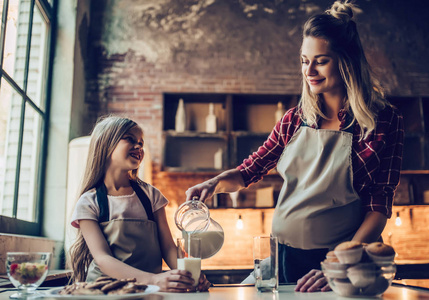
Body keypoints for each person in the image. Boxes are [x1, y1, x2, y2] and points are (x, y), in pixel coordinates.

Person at [185, 0, 404, 293]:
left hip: (332, 262)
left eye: (321, 60)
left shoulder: (384, 121)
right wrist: (214, 184)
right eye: (304, 60)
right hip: (281, 256)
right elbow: (250, 170)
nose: (309, 70)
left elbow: (379, 204)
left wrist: (337, 264)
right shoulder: (295, 119)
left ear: (347, 60)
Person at [69, 115, 211, 292]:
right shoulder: (89, 202)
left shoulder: (151, 196)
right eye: (130, 139)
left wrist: (191, 276)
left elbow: (167, 247)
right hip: (104, 292)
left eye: (141, 143)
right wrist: (154, 280)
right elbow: (103, 259)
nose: (139, 146)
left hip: (146, 292)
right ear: (105, 144)